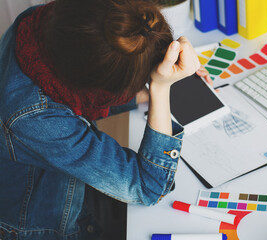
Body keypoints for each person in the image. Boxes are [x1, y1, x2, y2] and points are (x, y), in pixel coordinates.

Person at [0, 0, 211, 239]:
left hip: (67, 185)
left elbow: (82, 93)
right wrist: (159, 88)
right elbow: (148, 188)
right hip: (45, 225)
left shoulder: (47, 20)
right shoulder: (35, 119)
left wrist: (145, 90)